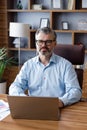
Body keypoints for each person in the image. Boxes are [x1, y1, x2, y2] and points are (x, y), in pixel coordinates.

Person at [9, 27, 82, 108]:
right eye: (40, 41)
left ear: (55, 43)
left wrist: (62, 101)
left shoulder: (66, 66)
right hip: (32, 107)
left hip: (57, 108)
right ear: (36, 43)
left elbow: (75, 91)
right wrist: (24, 99)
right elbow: (15, 86)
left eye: (48, 42)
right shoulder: (28, 65)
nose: (43, 45)